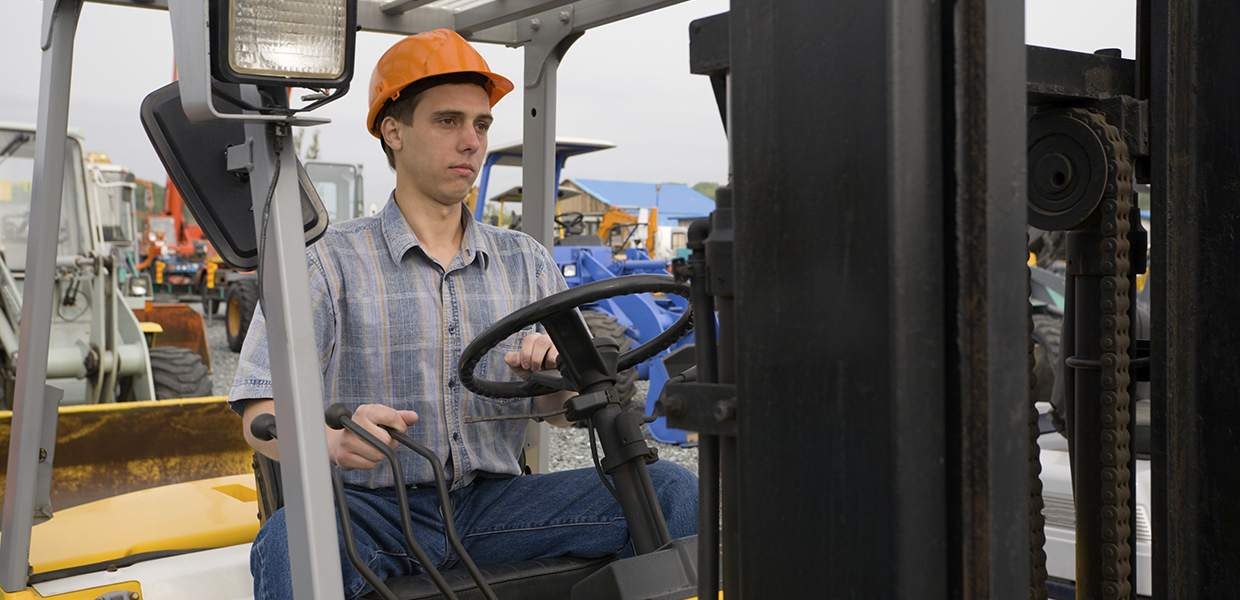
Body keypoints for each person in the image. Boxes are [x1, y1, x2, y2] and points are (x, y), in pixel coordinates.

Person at [228, 29, 698, 600]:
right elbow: (258, 410)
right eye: (448, 121)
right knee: (293, 539)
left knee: (672, 490)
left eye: (480, 125)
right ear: (392, 131)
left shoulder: (524, 259)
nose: (471, 141)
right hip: (374, 510)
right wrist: (327, 441)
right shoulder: (325, 263)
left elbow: (559, 412)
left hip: (497, 505)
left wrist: (553, 381)